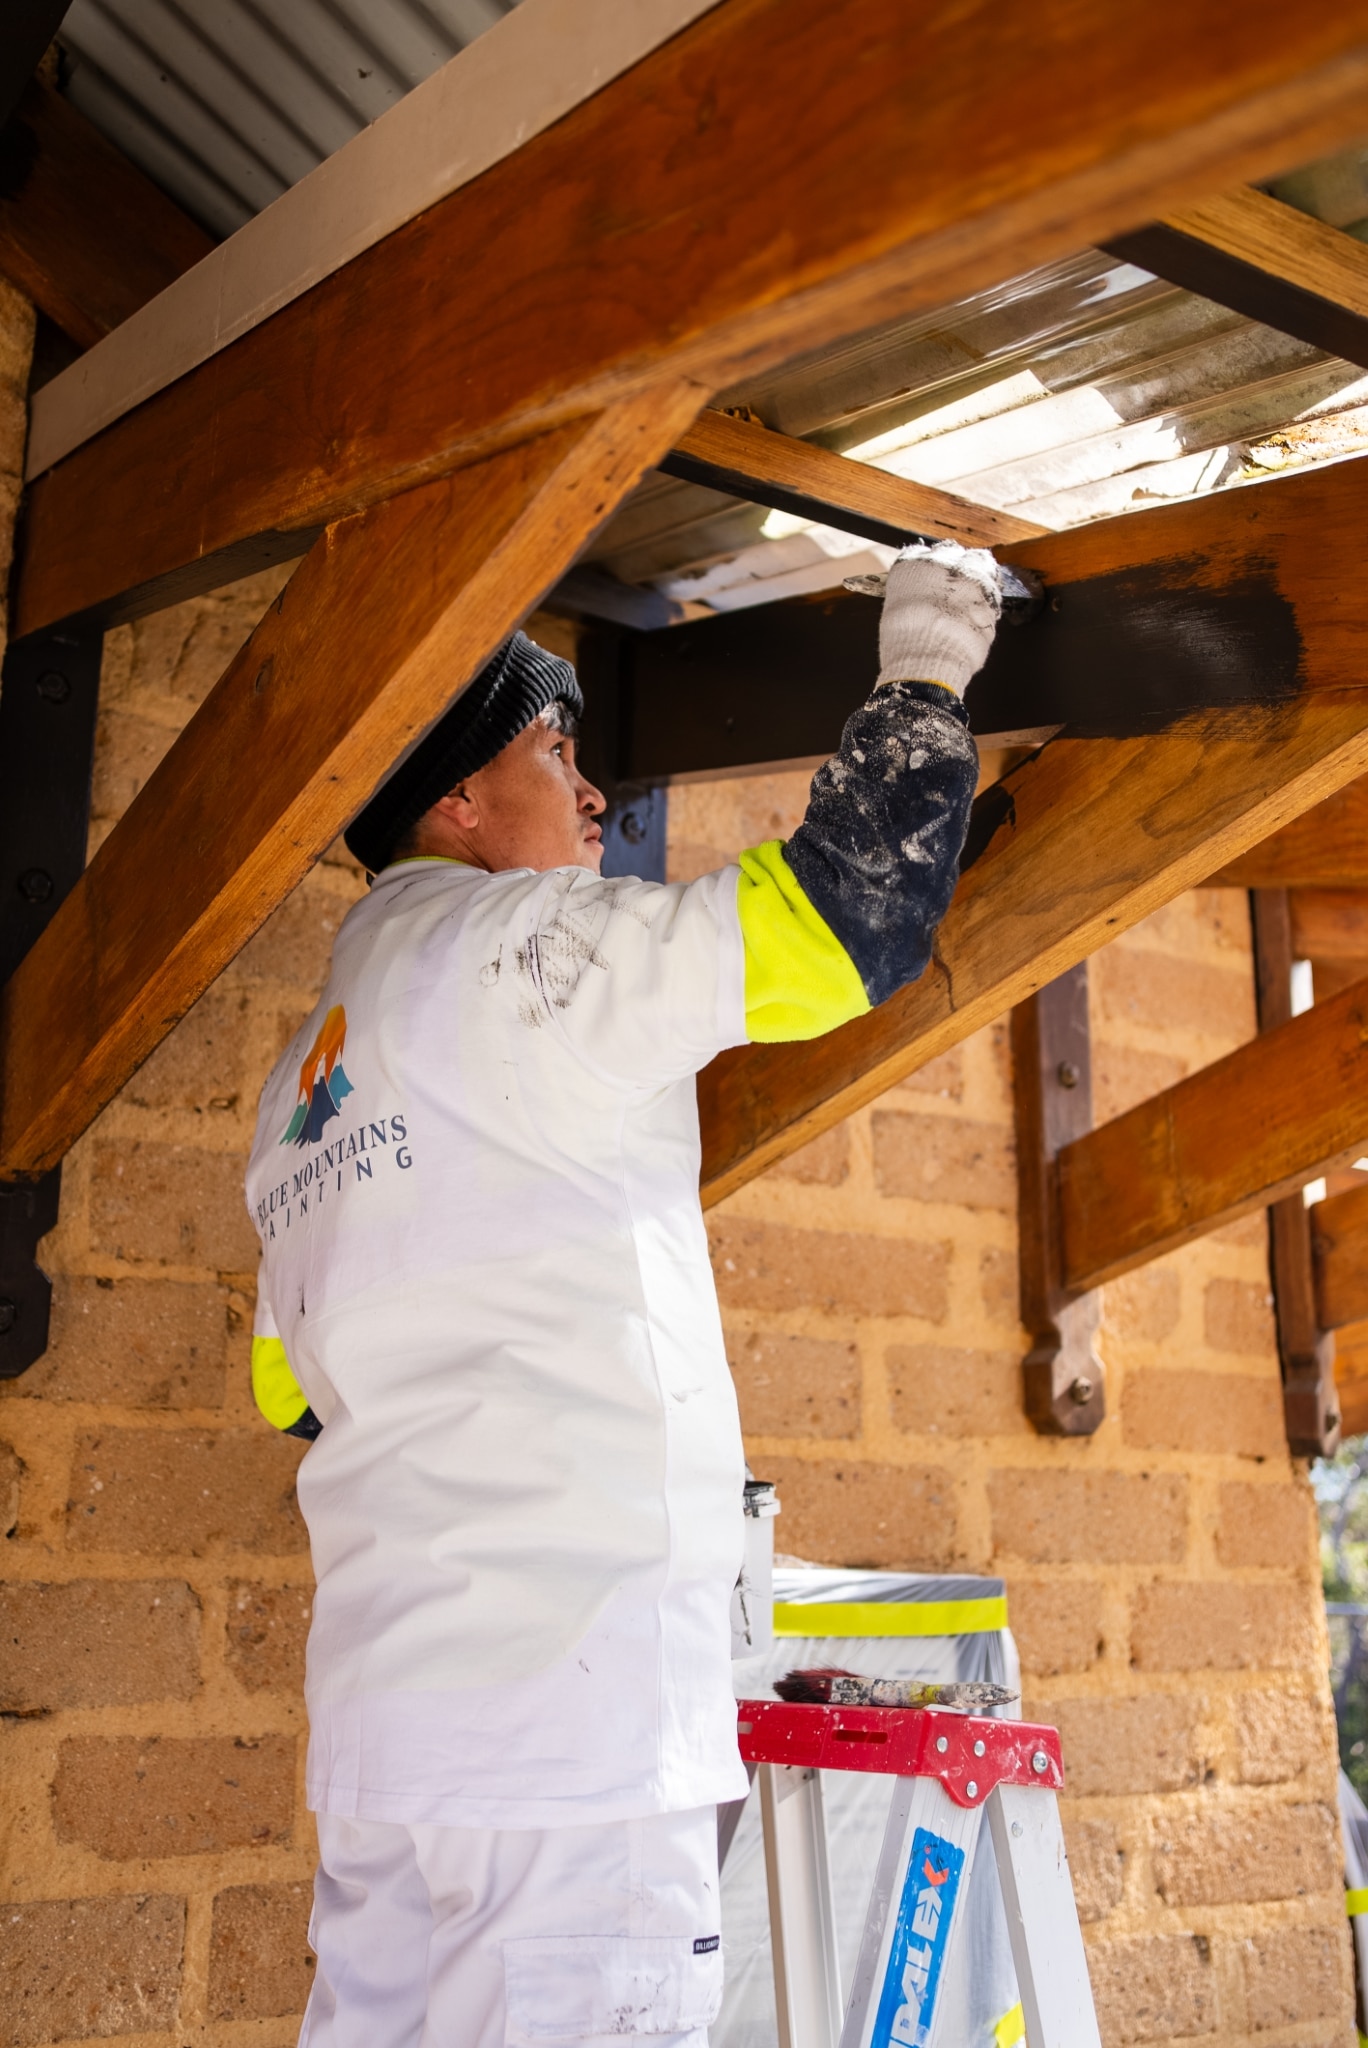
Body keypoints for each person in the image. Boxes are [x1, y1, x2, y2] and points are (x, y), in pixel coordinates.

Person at [244, 541, 1000, 2047]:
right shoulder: (522, 955)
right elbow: (841, 924)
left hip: (400, 1757)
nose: (593, 796)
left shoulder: (298, 1094)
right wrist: (925, 660)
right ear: (457, 802)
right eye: (555, 750)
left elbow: (297, 1397)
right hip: (569, 1750)